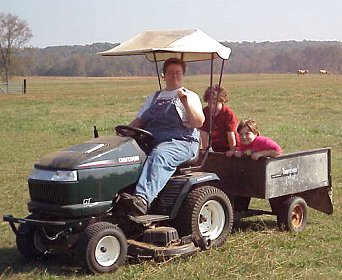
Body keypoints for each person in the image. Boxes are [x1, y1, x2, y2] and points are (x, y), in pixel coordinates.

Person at [122, 57, 205, 215]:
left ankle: (142, 199)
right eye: (170, 73)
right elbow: (139, 120)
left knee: (160, 155)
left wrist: (185, 103)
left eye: (178, 73)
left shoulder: (189, 96)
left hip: (182, 142)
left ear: (183, 75)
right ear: (163, 75)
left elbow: (198, 122)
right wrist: (126, 131)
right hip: (152, 140)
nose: (174, 76)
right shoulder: (154, 97)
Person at [200, 84, 239, 153]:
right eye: (209, 103)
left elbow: (230, 133)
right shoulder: (205, 112)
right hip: (215, 146)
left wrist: (232, 150)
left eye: (215, 103)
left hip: (229, 145)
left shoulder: (228, 113)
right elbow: (204, 133)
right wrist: (205, 148)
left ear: (222, 101)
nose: (211, 106)